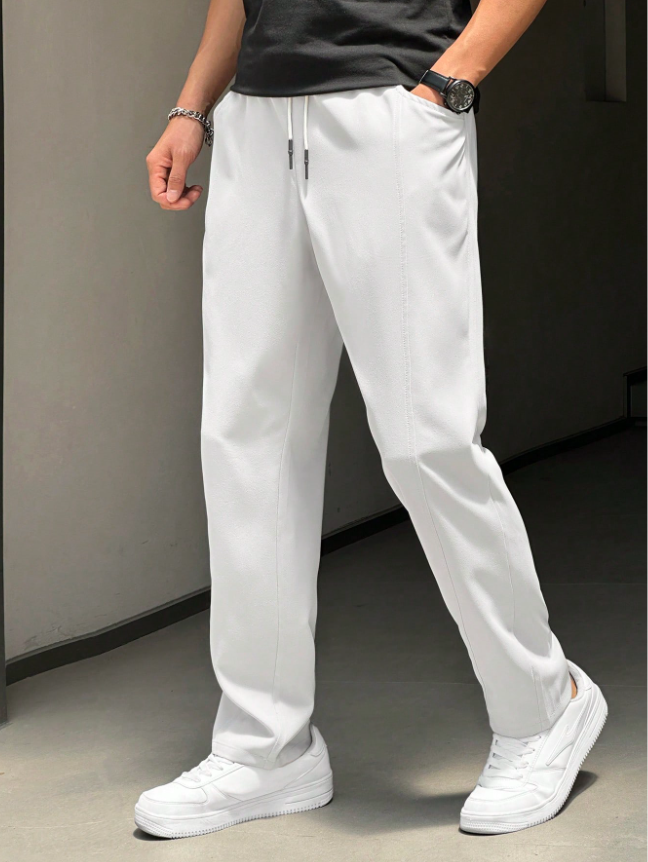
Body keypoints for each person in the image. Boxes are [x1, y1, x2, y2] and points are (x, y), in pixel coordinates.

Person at [136, 0, 607, 839]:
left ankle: (544, 706)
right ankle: (266, 746)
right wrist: (193, 106)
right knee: (246, 440)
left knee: (429, 438)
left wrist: (452, 80)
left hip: (394, 105)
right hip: (256, 119)